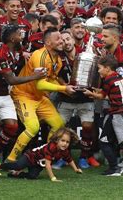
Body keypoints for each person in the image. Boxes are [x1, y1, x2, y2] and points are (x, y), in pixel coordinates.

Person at [0, 25, 45, 171]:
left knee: (12, 127)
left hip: (4, 94)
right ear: (12, 38)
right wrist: (35, 76)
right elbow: (11, 80)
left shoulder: (17, 49)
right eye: (19, 34)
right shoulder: (0, 53)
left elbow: (22, 59)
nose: (22, 36)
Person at [7, 28, 76, 162]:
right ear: (48, 42)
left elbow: (50, 79)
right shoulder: (40, 56)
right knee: (33, 127)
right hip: (23, 95)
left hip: (39, 97)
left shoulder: (58, 60)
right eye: (58, 39)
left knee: (58, 124)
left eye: (62, 38)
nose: (62, 41)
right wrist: (63, 88)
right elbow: (40, 84)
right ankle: (11, 159)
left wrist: (67, 89)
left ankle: (46, 155)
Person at [84, 55, 123, 177]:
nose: (98, 71)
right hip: (122, 111)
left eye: (100, 68)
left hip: (117, 114)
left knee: (104, 141)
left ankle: (115, 167)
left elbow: (102, 97)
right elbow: (109, 93)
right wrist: (98, 91)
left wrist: (91, 94)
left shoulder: (108, 80)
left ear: (107, 68)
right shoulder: (117, 77)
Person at [55, 30, 100, 169]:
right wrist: (65, 86)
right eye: (62, 40)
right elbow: (56, 76)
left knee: (88, 126)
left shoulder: (86, 54)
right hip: (66, 98)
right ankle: (62, 157)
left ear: (74, 40)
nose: (66, 42)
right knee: (60, 128)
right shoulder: (58, 57)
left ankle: (84, 157)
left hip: (85, 98)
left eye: (68, 39)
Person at [0, 128, 82, 181]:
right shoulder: (51, 147)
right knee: (18, 165)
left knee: (32, 176)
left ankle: (14, 174)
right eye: (63, 141)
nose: (65, 144)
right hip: (30, 156)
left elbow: (69, 159)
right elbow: (48, 165)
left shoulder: (64, 150)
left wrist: (76, 169)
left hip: (38, 164)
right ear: (56, 140)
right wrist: (53, 178)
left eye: (67, 142)